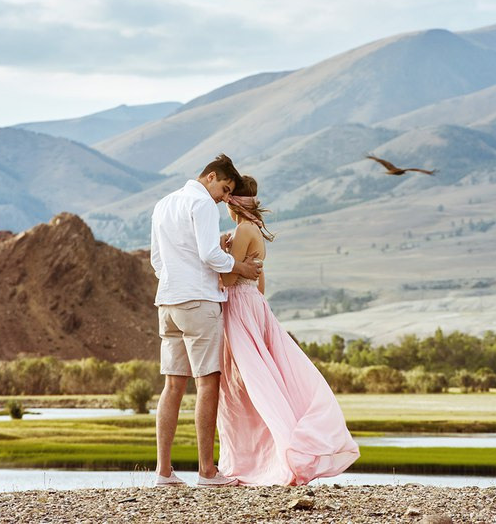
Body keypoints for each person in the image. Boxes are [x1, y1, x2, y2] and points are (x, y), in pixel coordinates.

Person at [217, 175, 360, 485]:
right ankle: (258, 461)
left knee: (246, 388)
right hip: (254, 305)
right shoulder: (255, 231)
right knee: (260, 382)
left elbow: (227, 281)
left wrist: (220, 252)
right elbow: (260, 283)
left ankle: (265, 459)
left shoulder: (242, 230)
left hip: (239, 309)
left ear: (232, 204)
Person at [150, 154, 261, 488]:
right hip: (199, 302)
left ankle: (164, 472)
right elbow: (209, 256)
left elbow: (157, 259)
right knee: (208, 383)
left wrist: (179, 277)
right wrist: (240, 267)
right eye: (225, 189)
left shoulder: (163, 204)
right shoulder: (202, 205)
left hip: (167, 301)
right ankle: (207, 472)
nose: (225, 197)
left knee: (172, 385)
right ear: (210, 177)